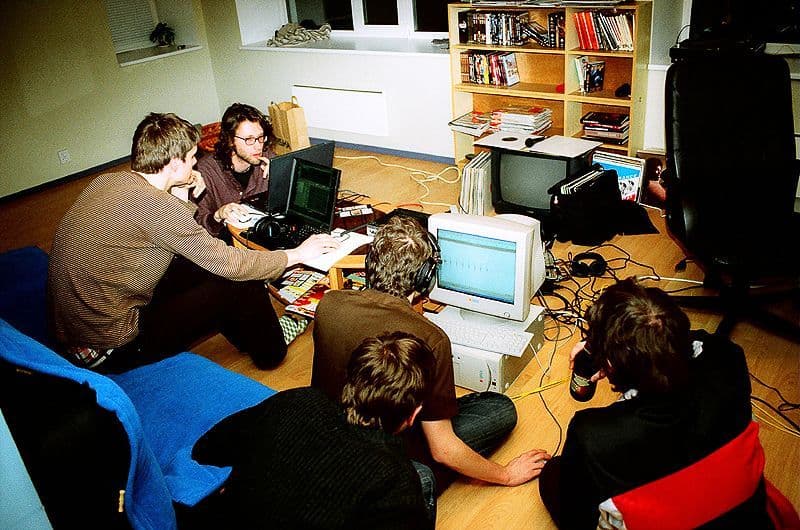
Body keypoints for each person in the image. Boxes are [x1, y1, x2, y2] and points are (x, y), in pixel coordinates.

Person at [47, 112, 339, 373]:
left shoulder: (108, 181)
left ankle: (249, 333)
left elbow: (172, 234)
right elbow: (229, 263)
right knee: (239, 279)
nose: (195, 163)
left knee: (203, 267)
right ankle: (272, 351)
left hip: (77, 331)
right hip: (112, 347)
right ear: (174, 164)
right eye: (191, 158)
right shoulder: (158, 209)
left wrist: (183, 192)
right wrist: (297, 254)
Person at [311, 216, 550, 518]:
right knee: (500, 409)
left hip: (333, 435)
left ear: (370, 262)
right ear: (425, 279)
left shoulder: (329, 303)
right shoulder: (430, 339)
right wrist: (506, 474)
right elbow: (442, 448)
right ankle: (416, 478)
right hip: (388, 447)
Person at [538, 278, 773, 529]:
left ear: (610, 365)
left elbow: (576, 518)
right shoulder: (728, 357)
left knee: (553, 473)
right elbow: (699, 340)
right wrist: (624, 350)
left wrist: (610, 352)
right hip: (744, 516)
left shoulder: (594, 435)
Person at [185, 332, 435, 529]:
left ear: (350, 381)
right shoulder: (395, 478)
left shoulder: (298, 400)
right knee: (424, 478)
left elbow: (206, 448)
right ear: (413, 415)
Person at [193, 103, 276, 239]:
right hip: (225, 243)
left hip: (262, 235)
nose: (258, 146)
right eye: (249, 139)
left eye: (261, 137)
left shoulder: (269, 159)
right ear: (230, 140)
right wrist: (218, 216)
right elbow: (196, 226)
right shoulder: (205, 170)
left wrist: (279, 178)